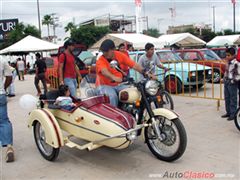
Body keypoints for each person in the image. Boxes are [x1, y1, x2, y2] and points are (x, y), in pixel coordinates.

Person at [96, 39, 144, 107]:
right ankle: (113, 116)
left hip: (119, 85)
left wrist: (145, 72)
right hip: (103, 86)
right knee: (112, 96)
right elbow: (104, 71)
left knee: (135, 92)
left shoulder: (119, 55)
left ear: (113, 49)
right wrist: (114, 77)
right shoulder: (100, 60)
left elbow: (133, 65)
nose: (104, 53)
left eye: (106, 51)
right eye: (103, 51)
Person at [0, 55, 14, 162]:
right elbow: (10, 77)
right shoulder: (2, 59)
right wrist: (3, 88)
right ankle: (9, 146)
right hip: (0, 94)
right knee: (4, 121)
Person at [221, 47, 240, 121]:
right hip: (226, 81)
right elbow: (226, 72)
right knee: (227, 97)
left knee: (233, 99)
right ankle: (228, 112)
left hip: (232, 83)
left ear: (233, 55)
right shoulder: (227, 63)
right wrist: (223, 78)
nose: (227, 57)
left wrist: (233, 81)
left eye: (228, 55)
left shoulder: (236, 63)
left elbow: (238, 75)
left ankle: (233, 114)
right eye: (226, 55)